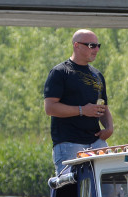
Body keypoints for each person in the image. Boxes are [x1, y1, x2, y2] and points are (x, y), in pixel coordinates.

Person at [43, 29, 115, 174]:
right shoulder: (60, 72)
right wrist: (82, 110)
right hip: (69, 143)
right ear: (77, 45)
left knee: (108, 188)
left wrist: (109, 127)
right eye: (91, 45)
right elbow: (50, 108)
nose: (96, 50)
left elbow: (103, 108)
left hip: (96, 142)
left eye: (98, 45)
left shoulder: (97, 75)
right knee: (71, 190)